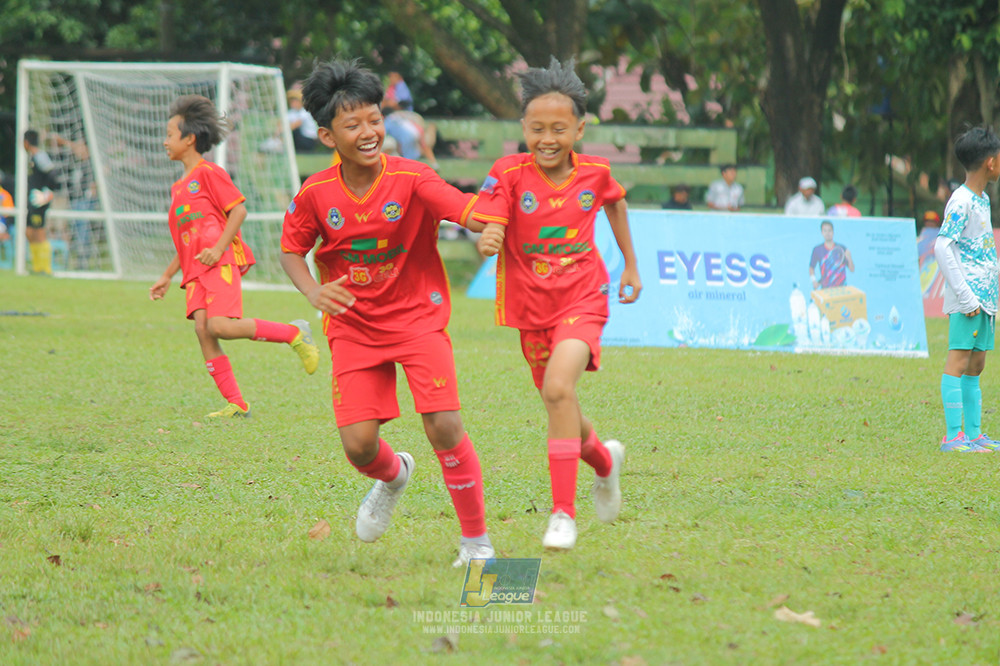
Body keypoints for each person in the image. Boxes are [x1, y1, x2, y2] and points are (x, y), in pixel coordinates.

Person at [279, 59, 494, 567]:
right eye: (353, 125)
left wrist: (486, 225)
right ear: (328, 136)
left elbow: (461, 206)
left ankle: (476, 542)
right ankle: (395, 474)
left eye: (375, 119)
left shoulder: (413, 177)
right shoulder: (315, 195)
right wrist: (313, 292)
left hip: (418, 318)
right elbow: (291, 251)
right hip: (353, 327)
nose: (370, 132)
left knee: (443, 424)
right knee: (358, 446)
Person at [470, 57, 642, 551]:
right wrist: (492, 233)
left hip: (584, 296)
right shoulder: (507, 172)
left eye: (559, 129)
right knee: (558, 399)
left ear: (580, 128)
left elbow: (615, 202)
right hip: (531, 309)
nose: (547, 138)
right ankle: (605, 463)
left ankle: (562, 514)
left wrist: (630, 265)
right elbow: (491, 211)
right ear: (523, 126)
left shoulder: (596, 173)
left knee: (560, 387)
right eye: (537, 128)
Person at [149, 94, 320, 418]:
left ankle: (294, 333)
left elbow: (238, 211)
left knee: (220, 326)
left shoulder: (209, 173)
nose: (165, 141)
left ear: (189, 139)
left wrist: (218, 248)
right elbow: (187, 242)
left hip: (219, 262)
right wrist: (166, 276)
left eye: (170, 135)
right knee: (203, 330)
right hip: (196, 270)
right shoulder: (178, 188)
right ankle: (236, 403)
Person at [933, 126, 1000, 452]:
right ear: (990, 162)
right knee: (958, 361)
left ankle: (973, 435)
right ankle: (953, 436)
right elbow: (942, 247)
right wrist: (965, 295)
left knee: (977, 364)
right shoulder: (960, 201)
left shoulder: (982, 199)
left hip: (985, 300)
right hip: (968, 298)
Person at [23, 130, 59, 275]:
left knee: (39, 233)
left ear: (26, 142)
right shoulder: (32, 157)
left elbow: (53, 174)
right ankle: (37, 267)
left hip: (39, 201)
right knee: (29, 232)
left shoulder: (40, 156)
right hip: (32, 201)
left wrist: (47, 193)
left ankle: (45, 268)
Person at [808, 220, 854, 289]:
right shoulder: (817, 250)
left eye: (829, 230)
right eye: (825, 231)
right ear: (822, 233)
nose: (827, 233)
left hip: (842, 290)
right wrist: (814, 281)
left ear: (833, 232)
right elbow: (811, 267)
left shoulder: (842, 248)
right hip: (826, 290)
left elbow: (852, 269)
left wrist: (849, 258)